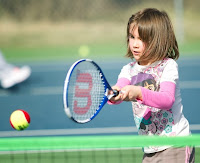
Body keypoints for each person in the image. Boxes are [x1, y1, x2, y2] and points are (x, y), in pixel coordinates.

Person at [108, 8, 195, 162]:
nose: (134, 44)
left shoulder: (168, 66)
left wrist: (138, 92)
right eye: (132, 37)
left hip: (176, 146)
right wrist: (114, 94)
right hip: (149, 150)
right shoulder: (128, 70)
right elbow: (119, 89)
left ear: (157, 40)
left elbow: (167, 99)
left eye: (141, 39)